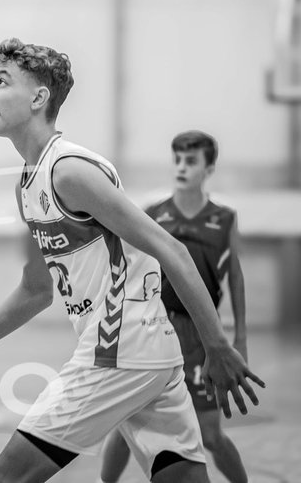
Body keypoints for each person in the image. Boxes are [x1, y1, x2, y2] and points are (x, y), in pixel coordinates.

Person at [0, 39, 264, 483]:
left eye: (2, 83)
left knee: (3, 479)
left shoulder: (70, 171)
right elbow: (37, 288)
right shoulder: (30, 183)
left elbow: (171, 250)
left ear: (39, 98)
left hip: (117, 351)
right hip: (149, 354)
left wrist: (216, 344)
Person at [100, 131, 249, 483]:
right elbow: (129, 267)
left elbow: (236, 278)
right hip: (153, 327)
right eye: (177, 160)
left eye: (191, 161)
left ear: (209, 168)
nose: (181, 167)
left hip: (201, 335)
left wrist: (239, 337)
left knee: (211, 435)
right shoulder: (154, 213)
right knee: (127, 423)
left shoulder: (225, 218)